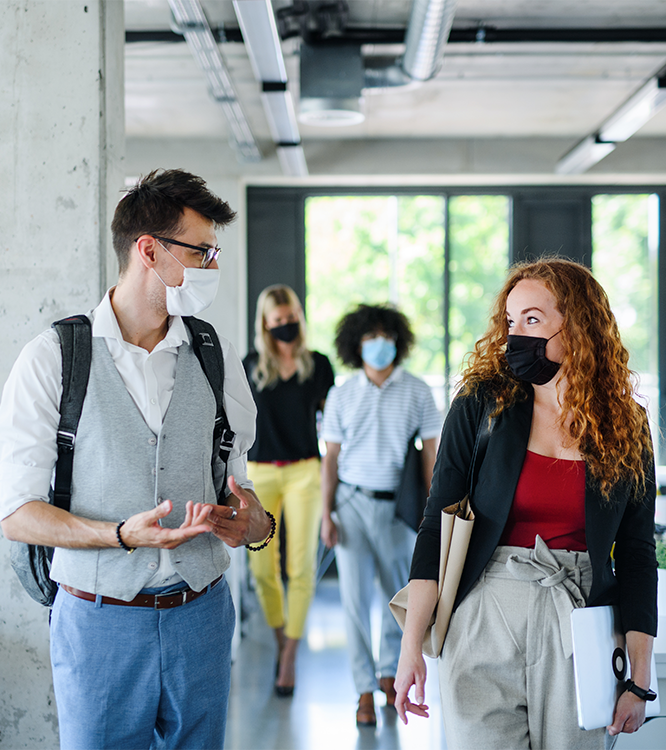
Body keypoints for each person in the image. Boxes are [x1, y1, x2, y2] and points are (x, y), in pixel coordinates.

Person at [0, 169, 273, 750]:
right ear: (149, 250)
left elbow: (239, 483)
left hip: (200, 616)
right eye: (202, 251)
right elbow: (17, 513)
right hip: (97, 620)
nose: (211, 267)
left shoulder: (212, 356)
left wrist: (252, 522)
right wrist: (120, 535)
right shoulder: (53, 359)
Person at [395, 259, 658, 750]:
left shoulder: (626, 423)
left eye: (533, 320)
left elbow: (638, 554)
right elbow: (436, 528)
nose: (517, 336)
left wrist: (639, 677)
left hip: (581, 626)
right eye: (511, 322)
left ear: (577, 326)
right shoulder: (481, 404)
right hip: (484, 615)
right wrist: (410, 650)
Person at [320, 303, 442, 727]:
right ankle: (362, 690)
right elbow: (330, 459)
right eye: (369, 338)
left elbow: (432, 453)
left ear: (397, 341)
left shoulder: (417, 391)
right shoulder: (342, 393)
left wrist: (434, 512)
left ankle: (390, 674)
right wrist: (326, 515)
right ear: (356, 345)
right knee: (354, 601)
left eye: (384, 337)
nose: (378, 345)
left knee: (398, 598)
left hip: (398, 509)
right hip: (351, 505)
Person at [242, 284, 334, 696]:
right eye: (277, 321)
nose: (285, 325)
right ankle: (281, 638)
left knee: (301, 567)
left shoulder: (318, 364)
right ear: (265, 324)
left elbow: (333, 425)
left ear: (299, 315)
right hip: (259, 473)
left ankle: (291, 655)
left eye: (290, 317)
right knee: (262, 569)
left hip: (304, 472)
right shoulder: (248, 366)